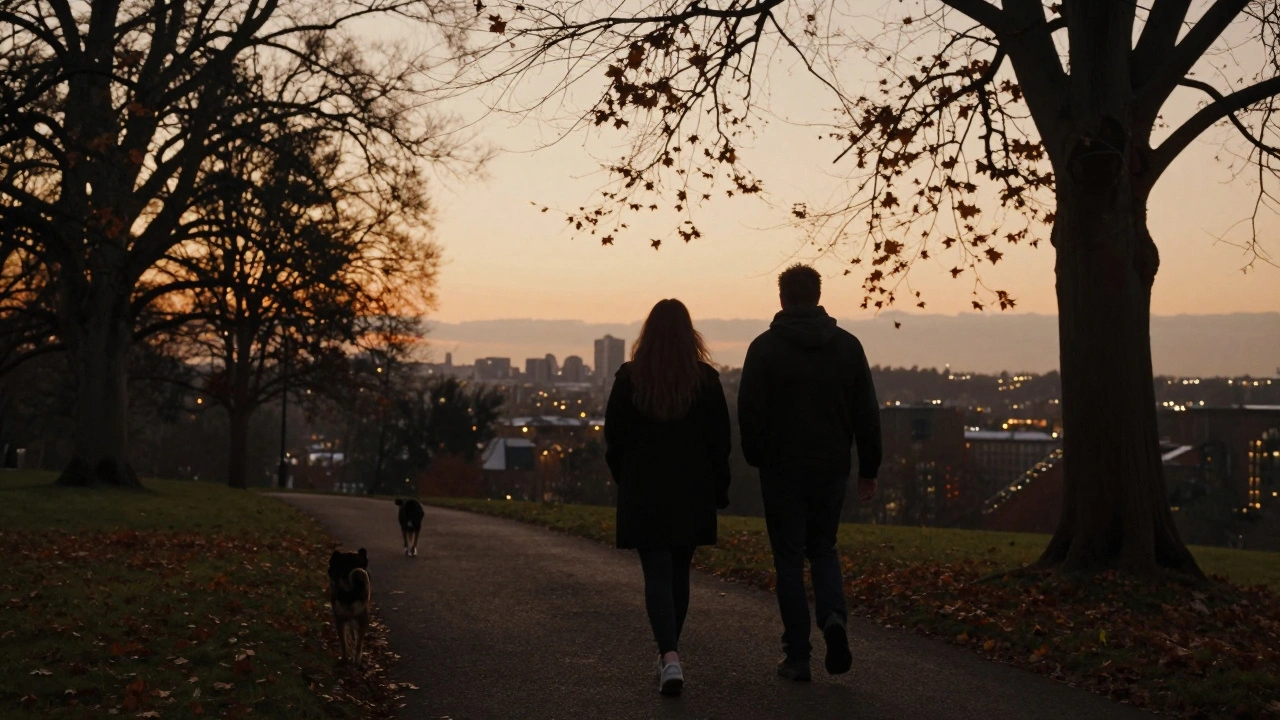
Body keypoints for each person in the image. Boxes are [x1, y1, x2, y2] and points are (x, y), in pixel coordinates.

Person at [737, 264, 882, 682]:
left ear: (782, 298)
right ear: (818, 296)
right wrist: (868, 468)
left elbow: (749, 411)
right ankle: (834, 617)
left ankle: (797, 655)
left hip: (781, 468)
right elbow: (866, 413)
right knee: (823, 549)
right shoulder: (848, 347)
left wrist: (756, 455)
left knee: (788, 558)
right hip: (831, 465)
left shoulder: (763, 349)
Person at [605, 299, 732, 697]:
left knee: (656, 574)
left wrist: (624, 481)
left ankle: (669, 655)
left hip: (645, 489)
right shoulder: (706, 381)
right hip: (691, 490)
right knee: (679, 572)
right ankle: (670, 655)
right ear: (688, 334)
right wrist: (719, 489)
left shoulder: (630, 378)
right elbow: (720, 444)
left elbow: (615, 441)